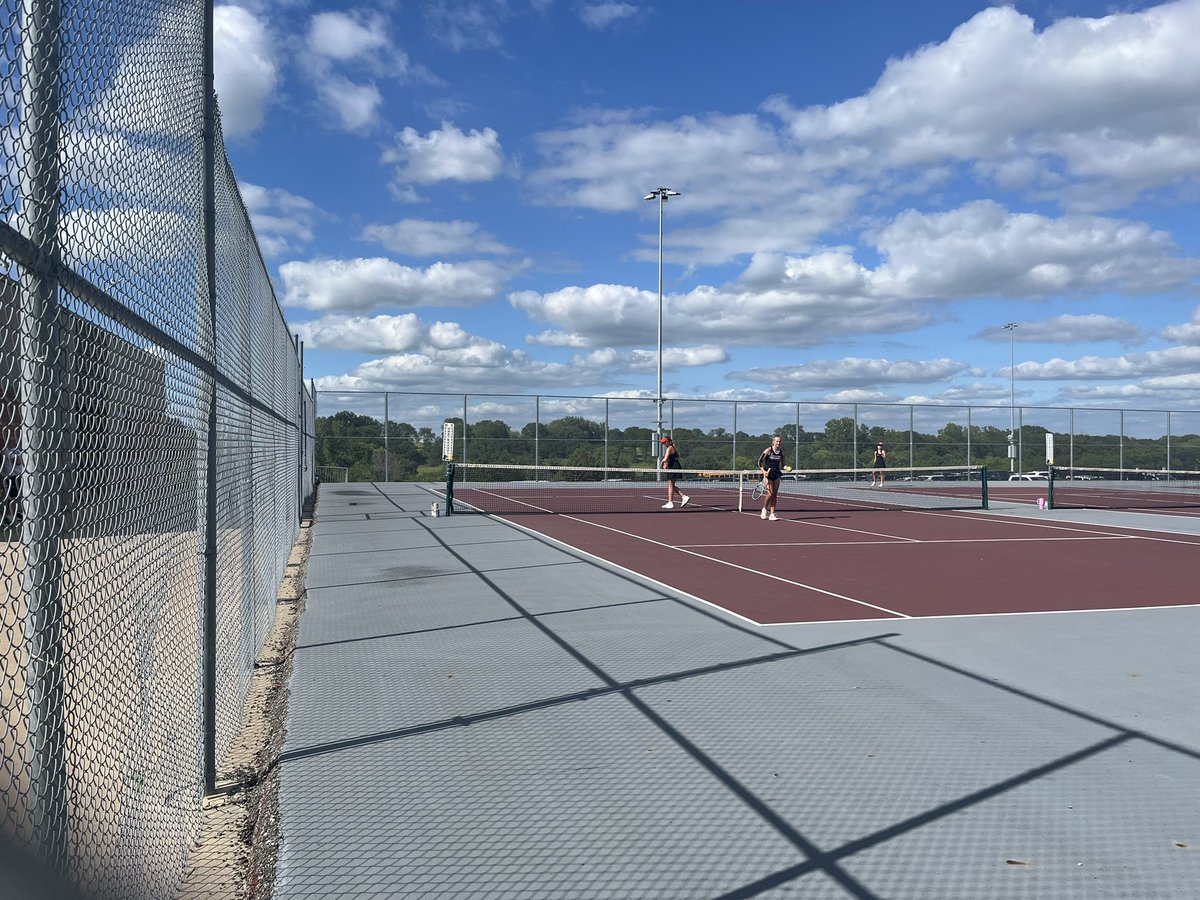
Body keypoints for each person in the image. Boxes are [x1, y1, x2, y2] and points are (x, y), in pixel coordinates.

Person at [757, 434, 785, 521]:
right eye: (776, 441)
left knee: (775, 495)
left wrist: (786, 467)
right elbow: (759, 462)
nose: (778, 443)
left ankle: (772, 514)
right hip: (768, 474)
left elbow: (783, 464)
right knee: (770, 493)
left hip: (776, 473)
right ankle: (764, 509)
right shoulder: (768, 450)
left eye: (780, 441)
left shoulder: (782, 452)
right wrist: (763, 471)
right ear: (773, 442)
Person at [659, 436, 689, 509]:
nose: (663, 443)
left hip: (674, 468)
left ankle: (671, 502)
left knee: (670, 484)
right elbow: (672, 458)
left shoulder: (669, 448)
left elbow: (665, 458)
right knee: (670, 484)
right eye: (663, 442)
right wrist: (666, 464)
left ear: (668, 442)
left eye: (664, 442)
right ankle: (683, 497)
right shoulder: (672, 448)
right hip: (674, 466)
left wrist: (662, 463)